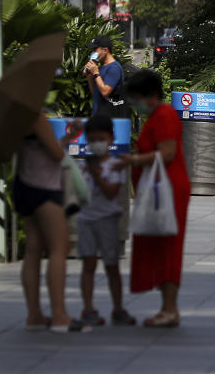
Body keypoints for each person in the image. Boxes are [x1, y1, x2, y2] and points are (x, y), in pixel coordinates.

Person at [114, 70, 191, 327]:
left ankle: (170, 309)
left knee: (168, 247)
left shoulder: (165, 115)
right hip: (160, 189)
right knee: (159, 246)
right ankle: (167, 307)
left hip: (168, 191)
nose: (135, 104)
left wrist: (133, 160)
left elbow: (167, 153)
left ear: (152, 95)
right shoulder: (157, 116)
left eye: (137, 98)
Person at [16, 114, 90, 333]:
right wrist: (64, 143)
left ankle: (34, 315)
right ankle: (59, 316)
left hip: (24, 184)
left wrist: (68, 138)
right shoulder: (35, 116)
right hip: (45, 187)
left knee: (33, 249)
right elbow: (56, 154)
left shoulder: (14, 115)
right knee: (59, 247)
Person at [76, 115, 136, 327]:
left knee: (112, 266)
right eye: (92, 140)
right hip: (86, 221)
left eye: (100, 139)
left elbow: (112, 193)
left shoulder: (115, 165)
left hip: (108, 221)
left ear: (110, 138)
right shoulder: (83, 166)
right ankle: (88, 308)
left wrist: (97, 176)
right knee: (88, 265)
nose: (96, 144)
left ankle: (118, 308)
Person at [84, 35, 125, 117]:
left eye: (95, 50)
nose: (93, 53)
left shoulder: (114, 68)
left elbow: (105, 92)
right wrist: (89, 76)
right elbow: (96, 93)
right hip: (98, 115)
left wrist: (96, 73)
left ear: (105, 50)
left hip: (109, 118)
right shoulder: (101, 68)